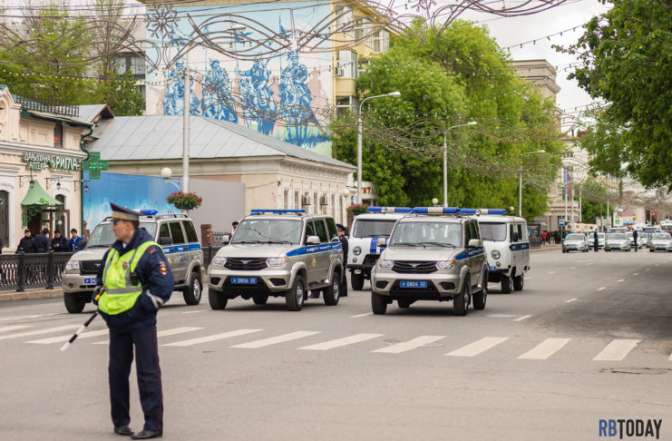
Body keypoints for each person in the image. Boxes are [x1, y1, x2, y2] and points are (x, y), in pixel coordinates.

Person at [93, 203, 173, 440]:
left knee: (147, 372)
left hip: (140, 322)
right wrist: (99, 300)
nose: (114, 228)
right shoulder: (112, 252)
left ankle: (153, 425)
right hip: (116, 322)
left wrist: (141, 309)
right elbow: (101, 282)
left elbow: (163, 287)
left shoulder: (149, 251)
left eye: (116, 224)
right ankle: (120, 422)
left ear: (129, 225)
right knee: (116, 372)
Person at [336, 224, 349, 297]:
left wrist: (343, 260)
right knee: (341, 275)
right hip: (341, 259)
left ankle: (343, 292)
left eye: (337, 229)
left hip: (342, 259)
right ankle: (342, 291)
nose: (337, 230)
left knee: (342, 275)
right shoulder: (340, 238)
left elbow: (344, 251)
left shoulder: (343, 239)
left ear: (341, 230)